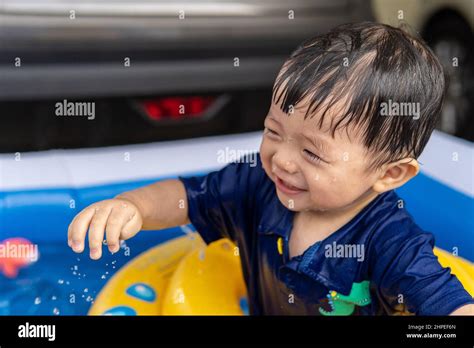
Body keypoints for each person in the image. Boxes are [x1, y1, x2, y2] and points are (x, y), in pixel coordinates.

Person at [67, 22, 474, 315]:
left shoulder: (392, 243)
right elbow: (184, 197)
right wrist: (131, 207)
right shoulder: (255, 185)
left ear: (389, 174)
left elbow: (449, 308)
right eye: (273, 131)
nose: (281, 159)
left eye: (313, 154)